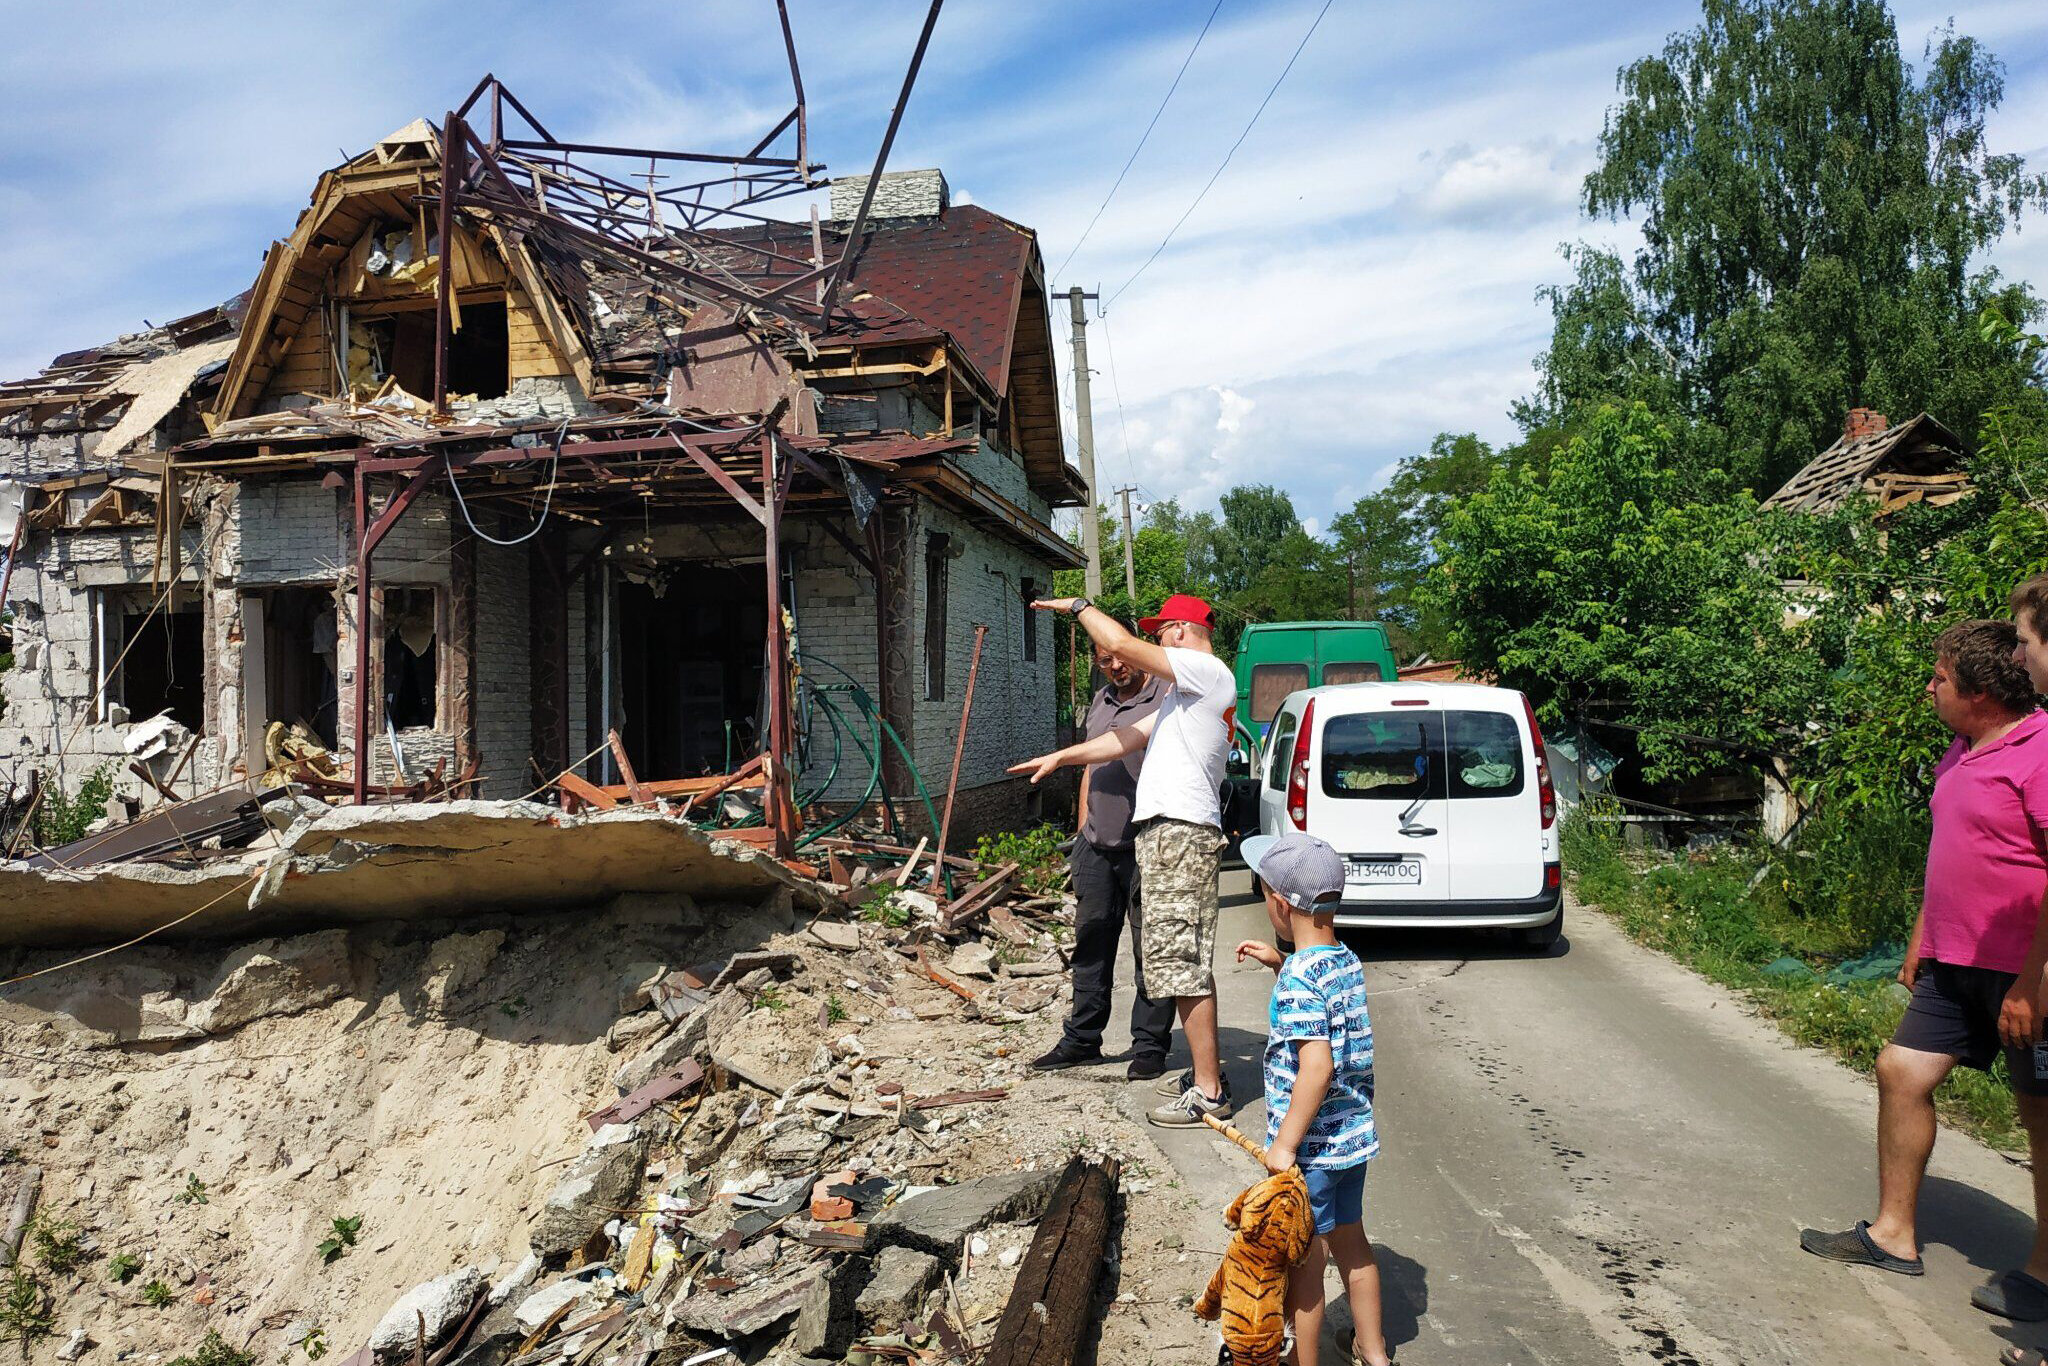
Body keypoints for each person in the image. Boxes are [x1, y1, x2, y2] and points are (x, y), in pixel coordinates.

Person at [1802, 621, 2048, 1322]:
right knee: (1900, 1071)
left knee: (2041, 1116)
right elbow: (1951, 852)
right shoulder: (1962, 748)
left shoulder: (2042, 750)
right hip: (1953, 960)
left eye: (1939, 678)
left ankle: (2045, 1271)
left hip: (2024, 970)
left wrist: (2033, 983)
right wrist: (1922, 939)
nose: (1928, 688)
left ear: (1978, 693)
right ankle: (1893, 1235)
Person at [1009, 593, 1238, 1126]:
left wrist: (1077, 607)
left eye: (1161, 632)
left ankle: (1209, 1091)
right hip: (1168, 834)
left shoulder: (1206, 670)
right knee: (1176, 961)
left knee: (1179, 965)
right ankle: (1207, 1077)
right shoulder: (1184, 698)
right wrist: (1062, 756)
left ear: (1181, 631)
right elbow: (1122, 740)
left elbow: (1116, 643)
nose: (1156, 641)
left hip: (1180, 833)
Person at [1234, 830, 1387, 1366]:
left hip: (1312, 1153)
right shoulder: (1343, 960)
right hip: (1351, 1140)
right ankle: (1374, 1353)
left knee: (1306, 1266)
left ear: (1279, 903)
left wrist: (1283, 1146)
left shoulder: (1301, 980)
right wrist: (1279, 966)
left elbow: (1316, 1068)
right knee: (1354, 1245)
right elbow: (1332, 1020)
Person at [1031, 635, 1178, 1078]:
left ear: (1138, 650)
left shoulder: (1169, 696)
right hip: (1096, 846)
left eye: (1120, 655)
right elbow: (1092, 767)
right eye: (1105, 659)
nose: (1115, 665)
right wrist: (1081, 834)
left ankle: (1149, 1047)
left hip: (1147, 846)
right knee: (1091, 945)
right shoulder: (1100, 700)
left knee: (1150, 950)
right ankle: (1082, 1039)